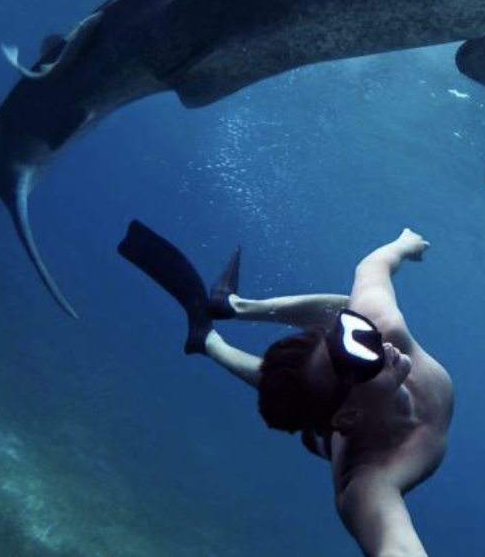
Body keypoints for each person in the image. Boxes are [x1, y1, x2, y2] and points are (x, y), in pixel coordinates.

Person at [117, 221, 453, 557]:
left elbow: (371, 266)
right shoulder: (366, 480)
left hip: (342, 406)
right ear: (349, 416)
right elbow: (394, 543)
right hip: (330, 433)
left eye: (356, 335)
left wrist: (404, 244)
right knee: (301, 393)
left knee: (348, 314)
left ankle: (235, 307)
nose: (377, 345)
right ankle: (209, 341)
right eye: (360, 359)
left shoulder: (381, 329)